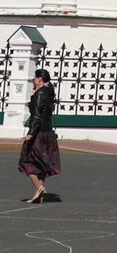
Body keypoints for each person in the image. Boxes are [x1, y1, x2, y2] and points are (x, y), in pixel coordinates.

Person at [18, 70, 60, 204]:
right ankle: (38, 195)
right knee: (42, 163)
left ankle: (39, 187)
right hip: (48, 133)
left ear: (40, 79)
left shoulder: (39, 95)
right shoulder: (49, 93)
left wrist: (31, 133)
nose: (33, 81)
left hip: (39, 133)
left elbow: (36, 116)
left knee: (26, 161)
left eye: (35, 79)